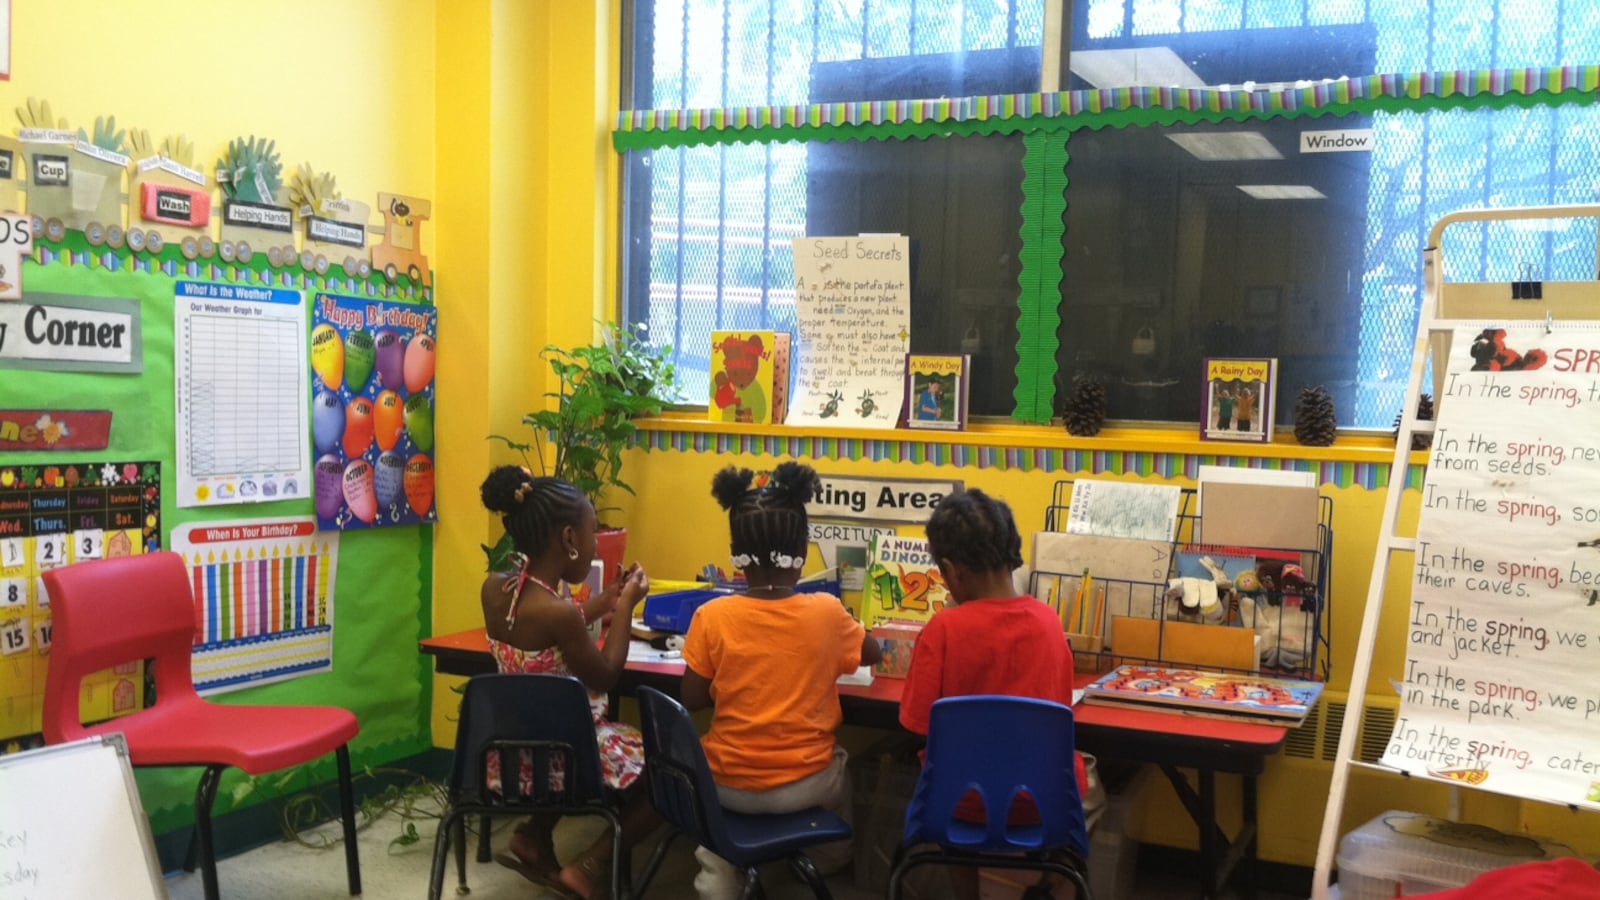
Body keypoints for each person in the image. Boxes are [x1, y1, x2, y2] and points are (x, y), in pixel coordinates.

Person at [681, 461, 883, 900]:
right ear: (803, 548)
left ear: (736, 551)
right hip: (805, 785)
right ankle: (829, 857)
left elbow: (692, 698)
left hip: (725, 785)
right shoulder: (827, 613)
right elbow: (874, 654)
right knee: (842, 764)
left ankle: (718, 864)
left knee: (720, 805)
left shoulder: (711, 616)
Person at [900, 488, 1095, 900]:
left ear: (951, 572)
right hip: (1041, 806)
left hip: (956, 806)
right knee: (1094, 787)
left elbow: (916, 723)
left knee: (946, 781)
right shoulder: (1048, 624)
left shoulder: (942, 631)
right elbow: (1057, 715)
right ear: (1012, 555)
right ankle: (1054, 880)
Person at [478, 466, 660, 900]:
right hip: (568, 759)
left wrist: (603, 602)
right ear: (569, 539)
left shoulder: (495, 589)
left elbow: (552, 627)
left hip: (512, 755)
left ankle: (533, 837)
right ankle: (589, 867)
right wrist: (628, 608)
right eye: (593, 532)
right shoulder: (558, 613)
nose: (597, 542)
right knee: (670, 778)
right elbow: (607, 674)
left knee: (561, 735)